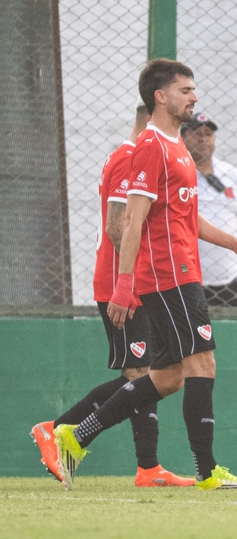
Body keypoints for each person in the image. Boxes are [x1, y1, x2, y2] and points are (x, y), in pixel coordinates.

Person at [52, 59, 237, 491]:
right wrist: (124, 283)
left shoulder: (178, 147)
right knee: (203, 363)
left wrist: (236, 244)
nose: (194, 97)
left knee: (168, 377)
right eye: (185, 90)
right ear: (161, 96)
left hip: (181, 272)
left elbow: (187, 217)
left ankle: (77, 435)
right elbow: (131, 220)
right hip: (167, 275)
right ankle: (207, 471)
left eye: (193, 89)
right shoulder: (151, 146)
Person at [31, 105, 195, 488]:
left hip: (139, 284)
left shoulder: (139, 155)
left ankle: (148, 467)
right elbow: (118, 227)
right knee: (140, 375)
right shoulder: (129, 157)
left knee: (148, 374)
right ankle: (56, 429)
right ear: (150, 115)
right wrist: (130, 282)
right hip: (122, 286)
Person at [180, 113, 237, 307]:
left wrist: (220, 241)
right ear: (183, 137)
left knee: (235, 326)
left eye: (208, 134)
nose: (203, 138)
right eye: (197, 133)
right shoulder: (177, 173)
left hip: (229, 279)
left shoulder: (231, 174)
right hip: (187, 280)